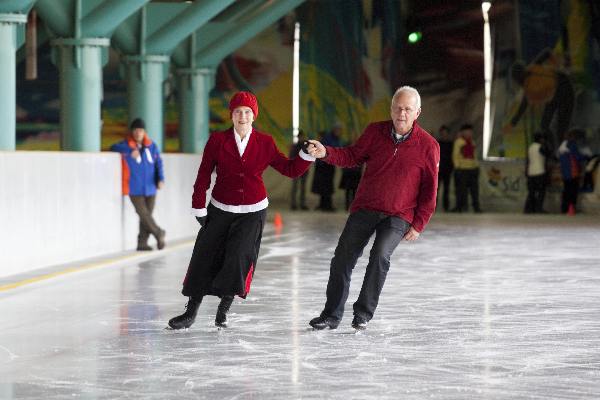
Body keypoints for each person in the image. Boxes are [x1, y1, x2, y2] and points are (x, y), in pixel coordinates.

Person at [168, 91, 314, 330]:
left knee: (237, 259)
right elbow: (204, 174)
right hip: (220, 208)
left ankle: (223, 311)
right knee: (204, 258)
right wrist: (198, 204)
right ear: (232, 115)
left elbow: (289, 170)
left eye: (247, 112)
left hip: (253, 211)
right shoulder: (217, 140)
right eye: (238, 112)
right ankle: (191, 312)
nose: (243, 116)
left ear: (254, 116)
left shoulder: (265, 142)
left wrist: (305, 155)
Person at [305, 86, 440, 330]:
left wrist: (419, 223)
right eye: (398, 107)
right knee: (341, 260)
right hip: (366, 208)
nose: (402, 113)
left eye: (408, 109)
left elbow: (430, 190)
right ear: (391, 108)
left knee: (380, 256)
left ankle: (363, 314)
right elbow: (352, 156)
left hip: (399, 215)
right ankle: (331, 315)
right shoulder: (374, 132)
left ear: (417, 112)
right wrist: (326, 152)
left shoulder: (429, 146)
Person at [110, 118, 166, 251]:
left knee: (146, 216)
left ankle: (142, 243)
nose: (138, 133)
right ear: (132, 132)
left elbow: (159, 163)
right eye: (135, 130)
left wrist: (161, 179)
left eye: (140, 130)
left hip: (151, 187)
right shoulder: (126, 145)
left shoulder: (152, 146)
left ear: (144, 132)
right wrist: (129, 152)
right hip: (134, 187)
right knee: (143, 214)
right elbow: (113, 147)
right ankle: (159, 233)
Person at [311, 123, 343, 211]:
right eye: (339, 130)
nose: (340, 132)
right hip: (325, 165)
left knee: (326, 185)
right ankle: (326, 205)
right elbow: (332, 149)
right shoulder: (329, 138)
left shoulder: (333, 138)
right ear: (335, 130)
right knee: (326, 185)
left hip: (327, 165)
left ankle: (324, 204)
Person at [451, 124, 482, 213]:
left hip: (472, 169)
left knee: (474, 190)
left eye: (470, 132)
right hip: (462, 169)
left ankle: (476, 207)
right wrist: (457, 167)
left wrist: (476, 166)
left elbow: (474, 155)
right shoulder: (459, 142)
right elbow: (455, 155)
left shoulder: (472, 142)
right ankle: (459, 207)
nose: (469, 133)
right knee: (461, 190)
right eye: (467, 131)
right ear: (463, 132)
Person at [558, 128, 586, 214]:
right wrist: (587, 156)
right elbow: (577, 157)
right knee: (573, 191)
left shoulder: (561, 147)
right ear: (572, 137)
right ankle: (571, 209)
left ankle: (564, 208)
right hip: (572, 172)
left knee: (566, 191)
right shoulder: (572, 145)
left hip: (565, 173)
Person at [524, 132, 550, 213]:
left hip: (531, 173)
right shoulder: (541, 147)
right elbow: (548, 154)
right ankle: (538, 208)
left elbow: (528, 161)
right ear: (540, 139)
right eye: (543, 138)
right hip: (540, 172)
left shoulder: (530, 147)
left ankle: (528, 209)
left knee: (531, 193)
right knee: (541, 192)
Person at [289, 129, 310, 210]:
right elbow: (291, 158)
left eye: (302, 137)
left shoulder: (305, 146)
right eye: (300, 137)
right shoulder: (295, 147)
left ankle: (302, 203)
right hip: (296, 170)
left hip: (304, 170)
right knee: (295, 187)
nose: (301, 138)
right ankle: (294, 203)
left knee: (302, 188)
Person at [436, 125, 454, 211]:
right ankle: (433, 206)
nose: (444, 135)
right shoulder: (437, 143)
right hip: (438, 169)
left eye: (446, 133)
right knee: (436, 188)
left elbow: (452, 156)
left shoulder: (451, 143)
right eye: (442, 133)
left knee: (447, 188)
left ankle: (446, 207)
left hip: (447, 168)